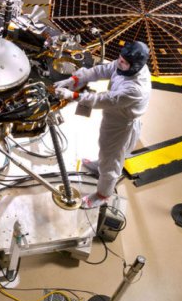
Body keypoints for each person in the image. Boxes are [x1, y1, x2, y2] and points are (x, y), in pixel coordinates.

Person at [53, 41, 152, 208]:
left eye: (124, 62)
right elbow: (102, 70)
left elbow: (102, 100)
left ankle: (102, 194)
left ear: (135, 66)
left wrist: (72, 95)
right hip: (113, 117)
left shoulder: (136, 88)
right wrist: (74, 79)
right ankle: (100, 165)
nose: (119, 62)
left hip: (122, 125)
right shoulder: (125, 65)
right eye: (120, 59)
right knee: (105, 146)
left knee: (112, 161)